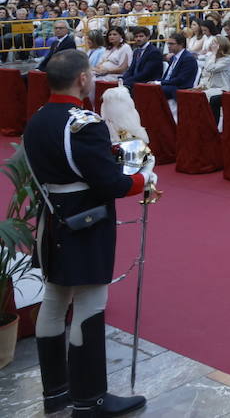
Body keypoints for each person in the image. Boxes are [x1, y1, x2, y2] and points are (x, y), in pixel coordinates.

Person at [23, 49, 157, 417]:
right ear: (83, 78)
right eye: (91, 76)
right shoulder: (84, 123)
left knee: (54, 300)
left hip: (53, 217)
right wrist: (144, 176)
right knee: (89, 302)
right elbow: (111, 184)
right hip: (85, 219)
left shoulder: (37, 118)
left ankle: (57, 393)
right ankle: (90, 398)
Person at [193, 34, 230, 99]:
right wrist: (202, 84)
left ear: (221, 46)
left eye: (214, 43)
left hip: (221, 89)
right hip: (209, 88)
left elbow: (210, 68)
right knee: (191, 94)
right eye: (211, 43)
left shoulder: (227, 59)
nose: (211, 45)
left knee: (201, 96)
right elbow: (205, 74)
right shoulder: (210, 58)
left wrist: (214, 54)